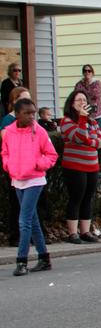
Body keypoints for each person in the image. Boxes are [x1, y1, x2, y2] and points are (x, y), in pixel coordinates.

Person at [2, 98, 59, 275]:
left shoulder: (40, 131)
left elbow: (51, 155)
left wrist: (37, 164)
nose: (31, 116)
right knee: (32, 220)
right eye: (27, 113)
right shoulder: (9, 132)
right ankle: (44, 258)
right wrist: (8, 165)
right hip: (17, 179)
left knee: (24, 219)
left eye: (33, 113)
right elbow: (5, 152)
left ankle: (21, 261)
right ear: (17, 114)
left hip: (35, 179)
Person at [60, 90, 101, 244]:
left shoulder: (92, 122)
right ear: (72, 104)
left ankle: (85, 231)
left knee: (88, 198)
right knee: (76, 198)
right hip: (74, 166)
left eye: (84, 100)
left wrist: (89, 142)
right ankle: (73, 233)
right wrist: (82, 119)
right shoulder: (66, 121)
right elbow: (79, 137)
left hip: (92, 165)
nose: (82, 102)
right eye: (78, 100)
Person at [2, 86, 31, 246]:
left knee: (31, 203)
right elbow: (7, 142)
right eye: (22, 99)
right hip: (15, 167)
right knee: (17, 201)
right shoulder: (9, 120)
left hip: (30, 168)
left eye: (28, 98)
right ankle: (16, 235)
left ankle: (33, 233)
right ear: (14, 101)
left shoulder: (30, 119)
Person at [73, 64, 101, 129]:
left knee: (97, 136)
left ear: (92, 73)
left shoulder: (97, 83)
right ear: (83, 73)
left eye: (89, 71)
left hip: (97, 116)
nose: (87, 72)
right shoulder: (79, 84)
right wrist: (88, 95)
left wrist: (83, 94)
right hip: (84, 116)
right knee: (86, 136)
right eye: (85, 71)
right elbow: (76, 96)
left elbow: (96, 95)